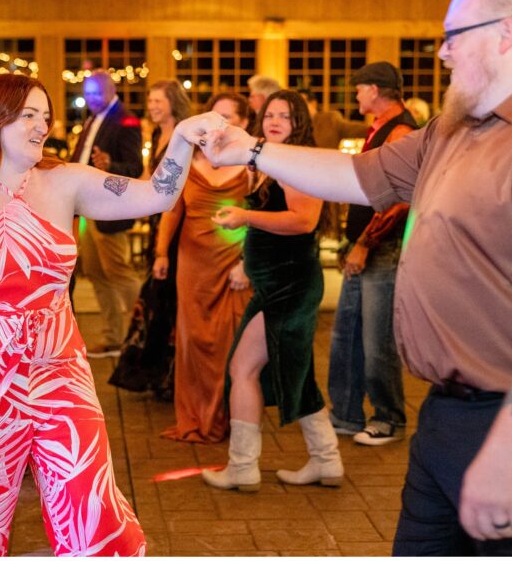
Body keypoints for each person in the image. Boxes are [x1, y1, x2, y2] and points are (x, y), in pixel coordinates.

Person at [204, 0, 512, 555]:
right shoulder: (460, 125)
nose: (443, 52)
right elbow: (355, 175)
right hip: (449, 414)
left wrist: (510, 449)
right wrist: (251, 152)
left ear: (507, 32)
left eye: (453, 36)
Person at [0, 73, 222, 556]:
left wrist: (184, 137)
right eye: (28, 114)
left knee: (87, 499)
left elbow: (158, 195)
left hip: (58, 367)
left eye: (45, 116)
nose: (41, 125)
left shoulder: (67, 181)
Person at [203, 90, 343, 492]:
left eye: (285, 116)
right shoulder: (268, 162)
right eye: (269, 115)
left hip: (291, 284)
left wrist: (246, 215)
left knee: (244, 369)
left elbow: (303, 221)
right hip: (276, 282)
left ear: (300, 123)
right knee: (292, 369)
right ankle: (325, 459)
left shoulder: (295, 163)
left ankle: (244, 467)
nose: (275, 121)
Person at [328, 61, 416, 447]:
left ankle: (388, 418)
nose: (357, 95)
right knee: (347, 334)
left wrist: (364, 243)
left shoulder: (400, 131)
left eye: (360, 88)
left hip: (381, 249)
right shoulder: (378, 129)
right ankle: (346, 414)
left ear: (376, 90)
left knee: (377, 340)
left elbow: (397, 198)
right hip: (364, 246)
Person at [158, 92, 252, 444]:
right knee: (192, 339)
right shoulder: (189, 161)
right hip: (192, 263)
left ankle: (229, 417)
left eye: (229, 118)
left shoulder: (253, 165)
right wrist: (160, 253)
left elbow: (261, 217)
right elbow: (170, 209)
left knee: (230, 341)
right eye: (216, 117)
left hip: (233, 264)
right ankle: (195, 414)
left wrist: (248, 263)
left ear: (243, 123)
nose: (221, 126)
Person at [109, 80, 191, 396]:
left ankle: (169, 376)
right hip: (159, 220)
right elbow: (148, 179)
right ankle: (157, 374)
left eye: (159, 100)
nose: (153, 106)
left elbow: (179, 188)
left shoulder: (184, 136)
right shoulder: (156, 135)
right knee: (158, 298)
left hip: (176, 222)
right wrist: (115, 187)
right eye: (150, 100)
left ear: (174, 102)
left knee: (166, 297)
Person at [70, 70, 144, 357]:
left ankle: (147, 330)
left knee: (119, 272)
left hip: (109, 210)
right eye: (87, 94)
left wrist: (110, 163)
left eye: (96, 93)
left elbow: (134, 169)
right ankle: (114, 336)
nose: (91, 99)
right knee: (95, 272)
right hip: (88, 209)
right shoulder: (92, 119)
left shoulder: (126, 120)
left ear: (112, 90)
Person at [298, 88, 370, 149]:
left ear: (313, 103)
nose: (299, 108)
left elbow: (353, 129)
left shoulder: (329, 119)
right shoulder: (296, 123)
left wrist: (375, 129)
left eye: (302, 103)